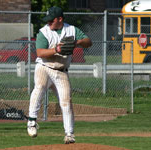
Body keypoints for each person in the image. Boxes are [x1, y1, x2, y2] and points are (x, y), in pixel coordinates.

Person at [27, 6, 92, 144]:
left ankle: (69, 134)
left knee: (66, 101)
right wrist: (56, 49)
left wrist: (77, 42)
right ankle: (32, 122)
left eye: (51, 20)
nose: (49, 23)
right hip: (44, 67)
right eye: (48, 20)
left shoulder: (72, 30)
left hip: (61, 70)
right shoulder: (44, 32)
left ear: (60, 19)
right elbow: (40, 53)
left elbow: (88, 42)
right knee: (39, 87)